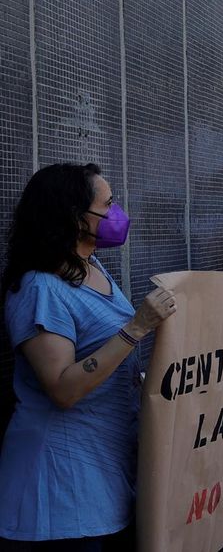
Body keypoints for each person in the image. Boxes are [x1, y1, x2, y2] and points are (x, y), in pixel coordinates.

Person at [0, 163, 176, 549]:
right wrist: (136, 327)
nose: (118, 214)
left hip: (106, 471)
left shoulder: (91, 265)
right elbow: (62, 388)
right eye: (108, 205)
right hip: (63, 487)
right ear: (73, 217)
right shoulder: (39, 288)